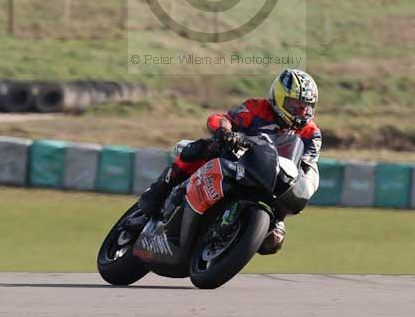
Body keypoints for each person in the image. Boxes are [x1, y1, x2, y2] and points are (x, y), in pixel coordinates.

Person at [138, 68, 321, 255]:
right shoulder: (256, 108)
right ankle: (159, 189)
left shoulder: (311, 133)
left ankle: (255, 228)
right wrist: (225, 132)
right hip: (237, 159)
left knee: (273, 241)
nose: (301, 111)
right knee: (200, 148)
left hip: (273, 180)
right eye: (294, 105)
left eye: (306, 106)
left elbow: (305, 166)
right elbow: (222, 119)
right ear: (278, 97)